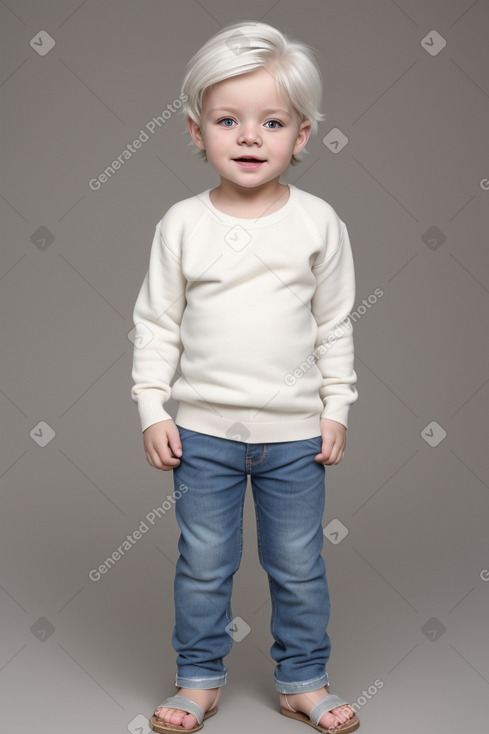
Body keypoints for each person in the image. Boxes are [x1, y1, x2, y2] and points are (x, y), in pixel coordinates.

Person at [131, 20, 360, 734]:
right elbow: (156, 324)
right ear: (196, 133)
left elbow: (335, 325)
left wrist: (336, 406)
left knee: (296, 565)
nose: (250, 137)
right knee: (204, 565)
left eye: (271, 122)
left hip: (294, 435)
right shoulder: (181, 225)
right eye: (229, 121)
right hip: (201, 434)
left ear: (302, 135)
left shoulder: (319, 223)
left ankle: (301, 679)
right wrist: (151, 408)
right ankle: (198, 679)